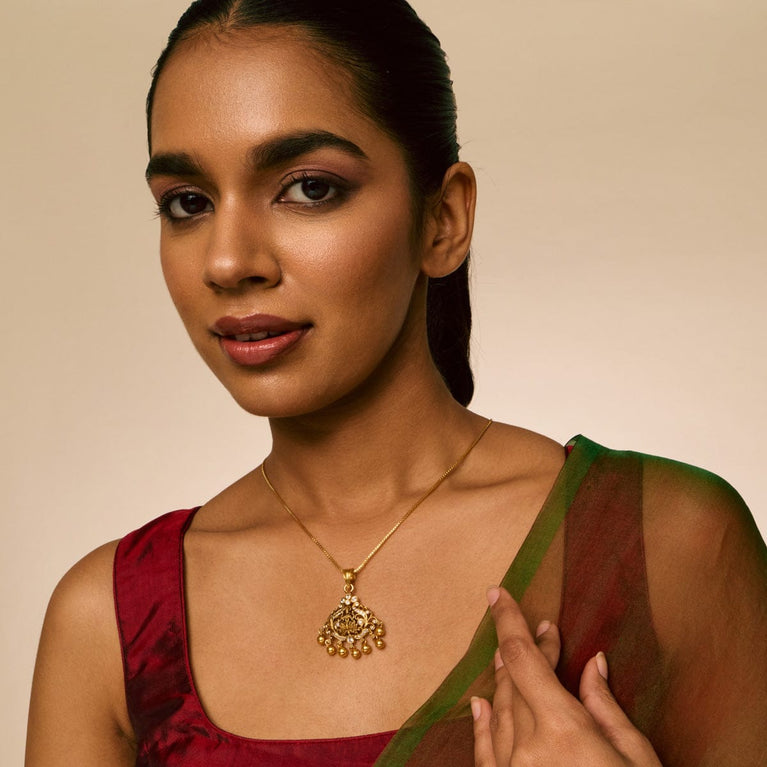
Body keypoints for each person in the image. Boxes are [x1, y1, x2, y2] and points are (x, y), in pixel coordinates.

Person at [25, 1, 767, 765]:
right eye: (188, 203)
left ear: (442, 219)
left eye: (308, 188)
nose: (227, 260)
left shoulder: (668, 544)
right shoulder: (109, 623)